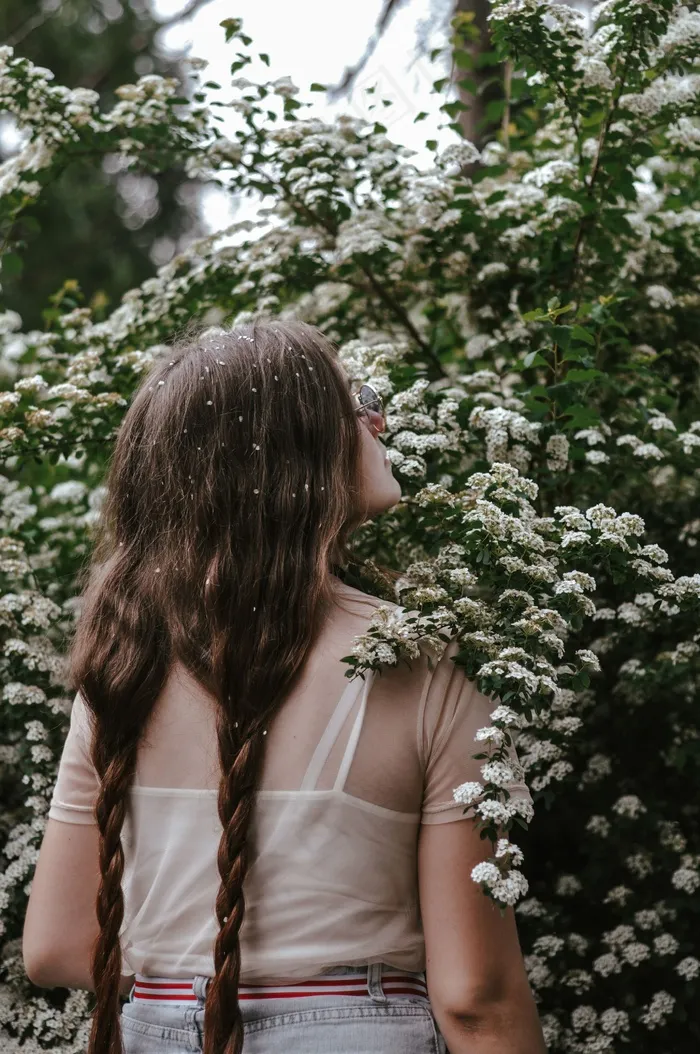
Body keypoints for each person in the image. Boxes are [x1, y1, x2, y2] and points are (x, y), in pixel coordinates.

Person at [23, 319, 546, 1054]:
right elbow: (475, 998)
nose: (380, 418)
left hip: (152, 1026)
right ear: (295, 452)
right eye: (357, 401)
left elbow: (54, 945)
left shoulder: (123, 662)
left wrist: (204, 973)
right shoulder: (422, 659)